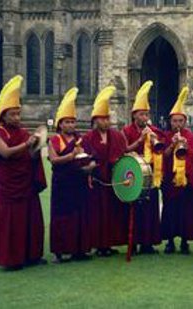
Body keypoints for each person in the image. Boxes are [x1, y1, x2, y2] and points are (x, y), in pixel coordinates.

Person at [0, 75, 46, 270]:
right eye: (13, 114)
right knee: (12, 221)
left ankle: (32, 255)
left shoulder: (23, 131)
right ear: (3, 115)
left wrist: (37, 148)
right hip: (9, 186)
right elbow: (6, 153)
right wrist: (25, 145)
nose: (17, 118)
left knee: (31, 219)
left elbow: (32, 154)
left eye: (19, 113)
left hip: (26, 183)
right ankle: (12, 259)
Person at [48, 87, 95, 263]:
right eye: (66, 122)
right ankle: (61, 251)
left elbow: (91, 157)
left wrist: (90, 166)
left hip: (79, 181)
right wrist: (71, 155)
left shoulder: (80, 139)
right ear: (60, 124)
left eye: (72, 122)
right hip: (62, 184)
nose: (70, 125)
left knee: (80, 214)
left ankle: (79, 249)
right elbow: (54, 160)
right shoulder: (54, 140)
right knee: (62, 216)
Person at [121, 81, 165, 254]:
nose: (145, 117)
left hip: (150, 174)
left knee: (150, 208)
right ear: (134, 116)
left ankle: (148, 242)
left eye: (147, 114)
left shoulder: (153, 130)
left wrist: (154, 139)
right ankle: (134, 242)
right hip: (134, 174)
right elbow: (124, 150)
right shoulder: (126, 131)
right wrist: (140, 140)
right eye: (141, 114)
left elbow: (160, 150)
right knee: (135, 209)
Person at [161, 86, 193, 254]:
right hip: (171, 180)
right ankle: (170, 241)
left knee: (186, 210)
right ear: (170, 122)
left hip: (185, 179)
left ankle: (185, 241)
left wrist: (186, 146)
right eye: (174, 121)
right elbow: (163, 156)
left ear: (185, 122)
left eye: (181, 121)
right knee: (170, 209)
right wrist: (172, 145)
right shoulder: (165, 136)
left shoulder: (190, 135)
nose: (177, 124)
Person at [86, 86, 128, 257]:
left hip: (113, 180)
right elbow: (85, 158)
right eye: (102, 119)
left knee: (113, 213)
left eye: (107, 118)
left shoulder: (117, 136)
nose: (105, 122)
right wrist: (89, 173)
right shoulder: (88, 137)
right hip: (97, 180)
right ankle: (98, 244)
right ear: (95, 120)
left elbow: (122, 154)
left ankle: (109, 243)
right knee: (97, 213)